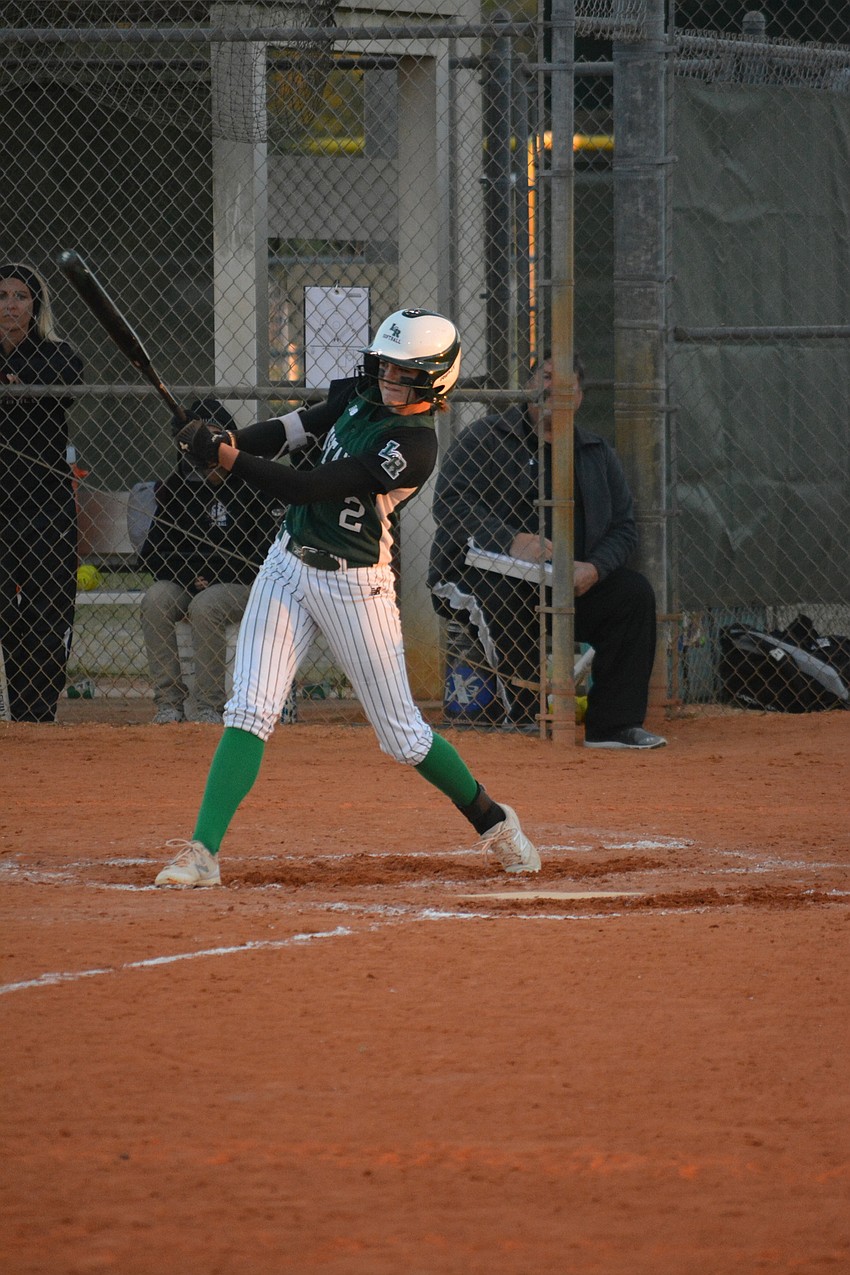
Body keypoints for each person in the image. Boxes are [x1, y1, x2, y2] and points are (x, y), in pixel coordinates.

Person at [153, 309, 540, 887]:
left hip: (353, 584)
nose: (388, 379)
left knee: (402, 735)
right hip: (288, 563)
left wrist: (227, 459)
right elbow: (293, 431)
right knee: (250, 707)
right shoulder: (362, 394)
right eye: (385, 366)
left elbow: (308, 486)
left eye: (404, 373)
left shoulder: (412, 446)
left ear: (434, 381)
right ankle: (202, 852)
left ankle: (493, 821)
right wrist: (229, 442)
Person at [429, 353, 666, 749]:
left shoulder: (595, 452)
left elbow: (624, 528)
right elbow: (450, 503)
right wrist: (510, 540)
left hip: (564, 581)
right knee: (506, 597)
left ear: (578, 398)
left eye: (565, 384)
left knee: (633, 594)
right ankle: (524, 717)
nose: (552, 389)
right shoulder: (484, 438)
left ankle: (613, 726)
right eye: (546, 377)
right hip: (478, 573)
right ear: (529, 385)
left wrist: (595, 567)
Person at [139, 399, 283, 724]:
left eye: (214, 443)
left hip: (247, 583)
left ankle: (208, 706)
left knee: (207, 605)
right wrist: (191, 576)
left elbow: (264, 554)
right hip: (193, 580)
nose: (207, 457)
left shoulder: (252, 483)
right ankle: (170, 704)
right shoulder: (179, 486)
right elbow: (154, 551)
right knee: (156, 600)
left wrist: (213, 575)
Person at [0, 262, 84, 722]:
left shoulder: (56, 354)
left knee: (48, 612)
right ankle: (14, 707)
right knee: (8, 615)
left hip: (45, 506)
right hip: (1, 505)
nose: (10, 305)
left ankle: (39, 712)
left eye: (21, 296)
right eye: (3, 296)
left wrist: (20, 383)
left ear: (35, 306)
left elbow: (66, 381)